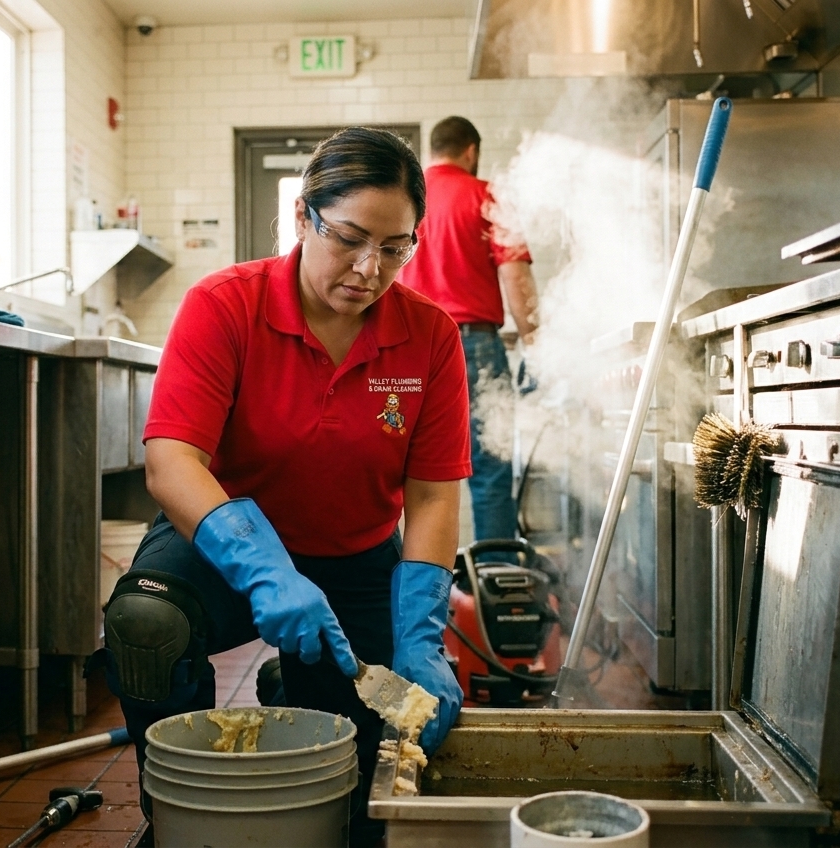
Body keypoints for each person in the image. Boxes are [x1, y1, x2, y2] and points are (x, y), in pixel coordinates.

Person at [102, 127, 469, 846]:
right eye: (351, 238)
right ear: (303, 217)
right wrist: (265, 569)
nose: (370, 268)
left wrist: (420, 635)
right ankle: (177, 817)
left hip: (357, 554)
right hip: (220, 548)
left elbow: (431, 495)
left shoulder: (429, 336)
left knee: (368, 787)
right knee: (148, 624)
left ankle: (290, 688)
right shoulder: (226, 306)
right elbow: (172, 462)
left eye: (396, 247)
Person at [398, 116, 538, 548]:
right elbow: (515, 278)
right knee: (490, 464)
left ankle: (403, 577)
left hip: (405, 345)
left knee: (399, 466)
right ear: (471, 151)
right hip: (472, 345)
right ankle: (495, 580)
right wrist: (533, 340)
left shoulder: (405, 195)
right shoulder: (488, 196)